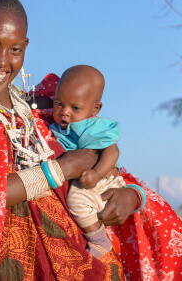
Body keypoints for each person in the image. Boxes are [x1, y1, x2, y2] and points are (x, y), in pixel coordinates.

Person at [0, 0, 182, 280]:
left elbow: (103, 161)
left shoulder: (50, 107)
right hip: (20, 269)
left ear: (26, 47)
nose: (1, 60)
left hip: (94, 262)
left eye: (14, 50)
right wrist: (60, 169)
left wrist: (131, 196)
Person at [49, 65, 126, 259]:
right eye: (59, 104)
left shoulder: (91, 127)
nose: (64, 112)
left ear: (95, 109)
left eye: (75, 108)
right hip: (88, 177)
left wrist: (96, 174)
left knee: (77, 201)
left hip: (100, 179)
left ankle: (99, 241)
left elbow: (112, 150)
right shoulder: (61, 124)